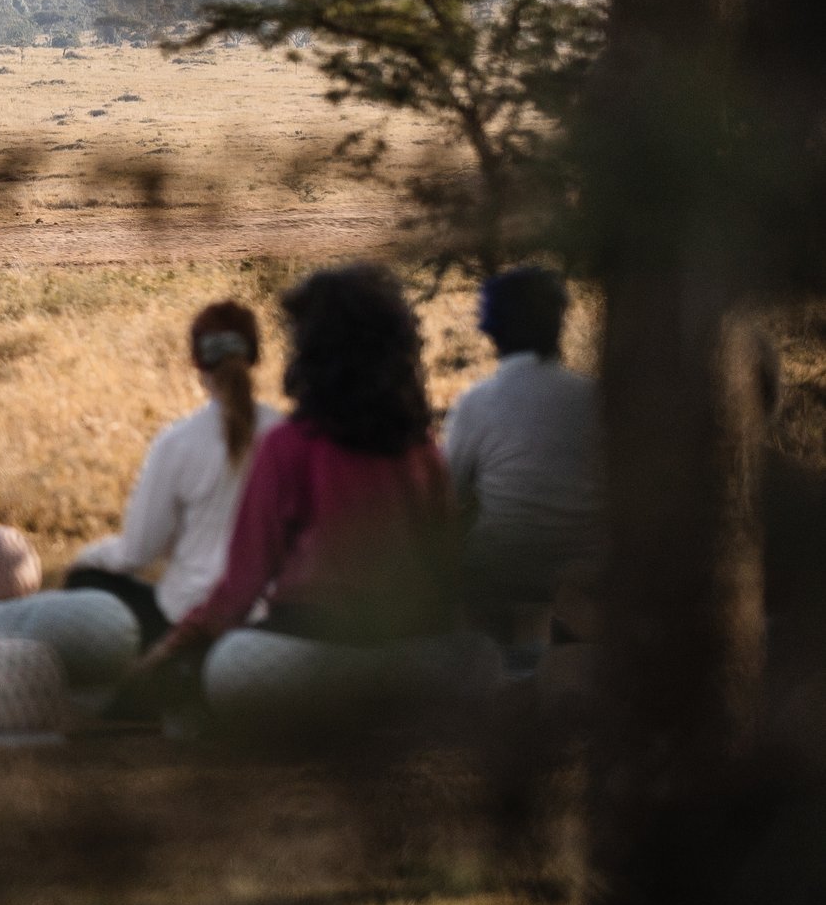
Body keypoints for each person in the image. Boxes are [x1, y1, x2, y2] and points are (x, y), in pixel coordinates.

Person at [136, 264, 482, 728]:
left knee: (230, 664)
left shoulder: (289, 444)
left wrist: (170, 649)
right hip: (414, 659)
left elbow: (239, 590)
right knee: (480, 659)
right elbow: (448, 576)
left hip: (306, 657)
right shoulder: (421, 451)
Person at [67, 301, 280, 647]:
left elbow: (137, 553)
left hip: (188, 617)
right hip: (267, 619)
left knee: (86, 581)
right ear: (255, 356)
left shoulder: (178, 442)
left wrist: (88, 556)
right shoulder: (286, 435)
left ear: (197, 361)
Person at [443, 266, 604, 641]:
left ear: (490, 329)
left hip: (502, 570)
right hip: (586, 568)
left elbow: (448, 492)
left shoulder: (477, 402)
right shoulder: (596, 396)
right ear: (559, 323)